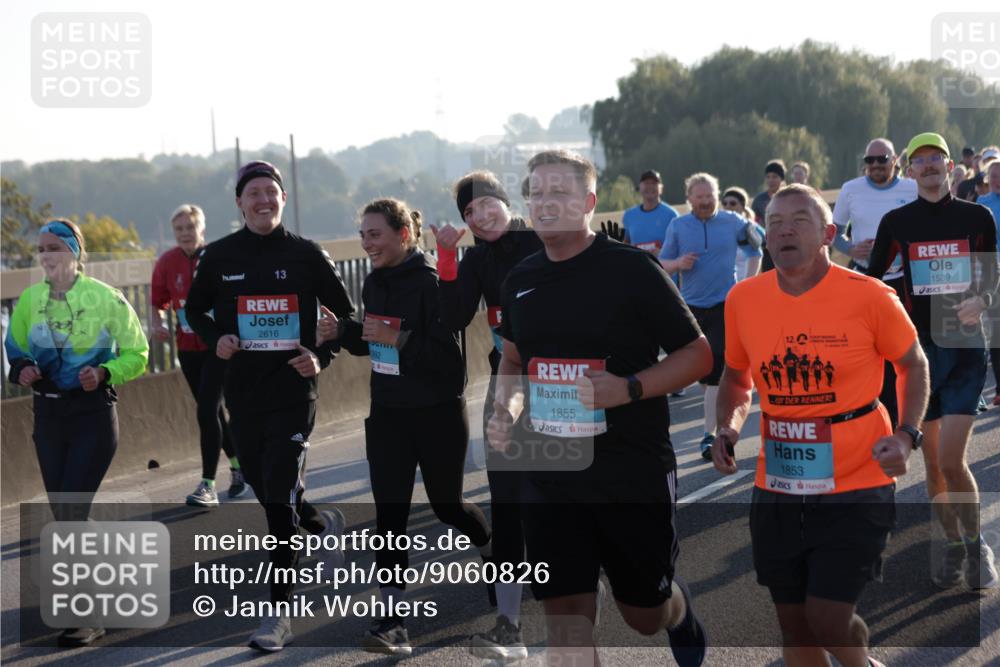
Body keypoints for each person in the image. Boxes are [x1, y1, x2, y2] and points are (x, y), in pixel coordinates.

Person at [490, 149, 713, 667]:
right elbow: (514, 359)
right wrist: (507, 408)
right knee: (566, 626)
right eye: (537, 193)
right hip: (551, 472)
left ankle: (675, 610)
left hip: (629, 469)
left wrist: (629, 388)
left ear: (588, 202)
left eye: (560, 192)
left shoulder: (631, 269)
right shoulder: (520, 278)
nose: (545, 203)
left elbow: (698, 354)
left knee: (643, 615)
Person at [712, 183, 930, 667]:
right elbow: (735, 375)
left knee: (828, 619)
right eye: (773, 222)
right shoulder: (743, 299)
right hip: (780, 482)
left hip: (857, 477)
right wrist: (726, 427)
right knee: (794, 627)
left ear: (829, 233)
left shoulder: (871, 296)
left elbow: (912, 363)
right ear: (764, 237)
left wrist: (906, 433)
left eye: (799, 220)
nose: (784, 230)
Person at [185, 161, 356, 651]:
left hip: (293, 393)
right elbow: (195, 309)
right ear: (239, 203)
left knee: (277, 504)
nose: (263, 201)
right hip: (243, 393)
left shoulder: (306, 255)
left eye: (271, 193)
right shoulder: (218, 256)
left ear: (282, 200)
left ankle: (276, 616)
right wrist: (215, 337)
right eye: (253, 194)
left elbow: (343, 314)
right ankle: (322, 525)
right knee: (267, 488)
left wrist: (320, 356)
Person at [317, 197, 492, 657]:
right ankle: (392, 622)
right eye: (363, 235)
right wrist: (346, 333)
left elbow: (450, 364)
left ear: (404, 235)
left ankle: (493, 551)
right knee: (390, 518)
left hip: (437, 411)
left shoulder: (431, 281)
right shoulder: (374, 282)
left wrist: (402, 339)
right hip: (389, 413)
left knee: (447, 506)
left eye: (375, 234)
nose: (366, 243)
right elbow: (378, 342)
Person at [5, 218, 149, 647]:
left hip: (92, 418)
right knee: (67, 514)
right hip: (48, 419)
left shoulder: (106, 298)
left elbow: (138, 354)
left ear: (75, 252)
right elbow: (13, 352)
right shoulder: (30, 300)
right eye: (42, 248)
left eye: (56, 247)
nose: (47, 255)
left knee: (70, 511)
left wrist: (105, 372)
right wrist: (23, 369)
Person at [867, 132, 1000, 590]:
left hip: (964, 348)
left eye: (935, 159)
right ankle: (953, 542)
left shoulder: (977, 216)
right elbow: (874, 282)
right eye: (919, 161)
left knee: (951, 458)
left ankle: (977, 542)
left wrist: (981, 300)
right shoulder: (897, 222)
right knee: (933, 468)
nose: (927, 167)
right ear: (909, 171)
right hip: (918, 355)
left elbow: (991, 273)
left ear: (949, 166)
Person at [427, 170, 543, 661]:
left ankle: (585, 585)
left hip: (564, 386)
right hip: (509, 386)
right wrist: (448, 256)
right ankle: (509, 625)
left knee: (565, 498)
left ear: (504, 200)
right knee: (508, 501)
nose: (481, 215)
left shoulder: (543, 236)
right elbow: (452, 317)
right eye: (470, 212)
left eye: (486, 203)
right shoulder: (474, 258)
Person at [660, 172, 763, 460]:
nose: (705, 202)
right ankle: (713, 419)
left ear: (716, 197)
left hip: (723, 304)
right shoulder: (678, 226)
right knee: (702, 375)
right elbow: (662, 264)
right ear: (689, 198)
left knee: (716, 367)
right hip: (690, 306)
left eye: (710, 197)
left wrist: (745, 285)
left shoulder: (732, 221)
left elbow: (757, 246)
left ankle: (709, 436)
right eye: (700, 197)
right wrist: (678, 262)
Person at [151, 204, 244, 506]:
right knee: (213, 413)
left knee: (206, 411)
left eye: (190, 228)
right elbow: (158, 302)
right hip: (187, 348)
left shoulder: (216, 257)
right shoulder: (167, 262)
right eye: (179, 229)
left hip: (218, 346)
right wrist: (158, 324)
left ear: (202, 230)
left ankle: (208, 485)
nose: (185, 234)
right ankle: (240, 467)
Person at [831, 138, 918, 428]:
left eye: (883, 159)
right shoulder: (850, 190)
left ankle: (907, 413)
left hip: (905, 278)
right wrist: (850, 249)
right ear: (864, 163)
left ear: (895, 160)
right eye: (871, 161)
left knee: (905, 344)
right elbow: (834, 232)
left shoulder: (911, 188)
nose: (877, 165)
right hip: (866, 275)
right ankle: (872, 412)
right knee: (868, 345)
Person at [978, 161, 1000, 405]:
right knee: (996, 331)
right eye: (993, 176)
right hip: (993, 274)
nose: (997, 180)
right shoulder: (983, 205)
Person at [621, 170, 679, 255]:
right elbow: (626, 243)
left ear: (661, 188)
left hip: (662, 267)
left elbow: (680, 244)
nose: (650, 186)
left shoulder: (671, 215)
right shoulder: (629, 215)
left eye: (654, 183)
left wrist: (663, 252)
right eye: (646, 183)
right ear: (640, 187)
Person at [721, 186, 766, 280]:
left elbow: (762, 252)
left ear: (742, 206)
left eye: (732, 203)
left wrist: (748, 282)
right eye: (724, 203)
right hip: (725, 287)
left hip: (745, 283)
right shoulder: (718, 230)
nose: (728, 206)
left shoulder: (751, 228)